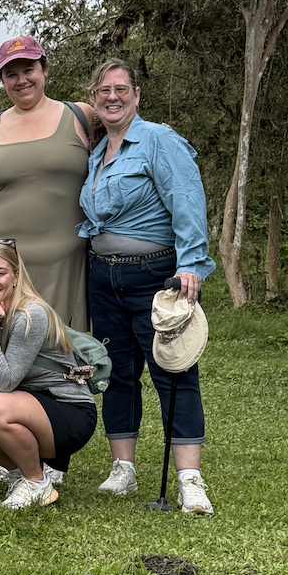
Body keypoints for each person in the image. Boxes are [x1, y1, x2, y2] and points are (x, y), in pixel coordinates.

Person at [79, 59, 215, 513]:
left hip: (154, 276)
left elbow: (187, 199)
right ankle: (123, 469)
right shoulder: (98, 152)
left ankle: (189, 479)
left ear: (136, 96)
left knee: (173, 372)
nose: (112, 97)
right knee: (117, 373)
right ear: (95, 100)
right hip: (103, 275)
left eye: (121, 89)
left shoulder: (158, 139)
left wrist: (192, 263)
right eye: (104, 91)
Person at [0, 240, 97, 510]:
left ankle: (37, 483)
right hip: (22, 406)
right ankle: (20, 471)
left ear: (15, 276)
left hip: (68, 410)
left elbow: (5, 382)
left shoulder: (30, 314)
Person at [0, 37, 93, 330]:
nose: (21, 80)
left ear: (44, 69)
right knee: (3, 354)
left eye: (28, 69)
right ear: (2, 80)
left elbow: (124, 143)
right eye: (11, 74)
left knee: (60, 357)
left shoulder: (81, 116)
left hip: (63, 266)